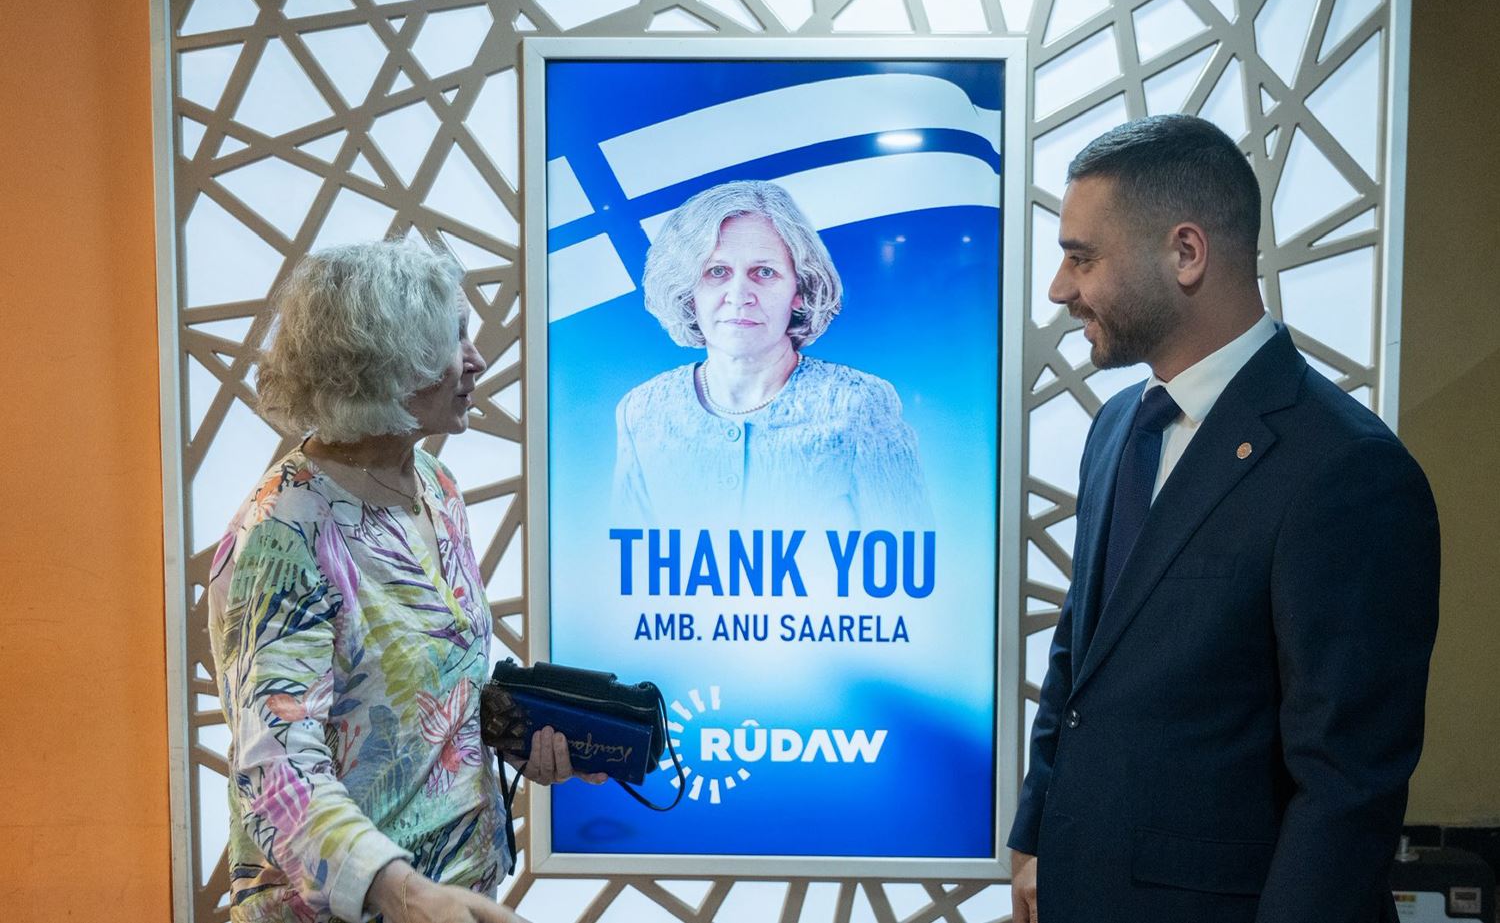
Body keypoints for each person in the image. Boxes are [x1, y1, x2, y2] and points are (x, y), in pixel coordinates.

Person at [1008, 115, 1439, 923]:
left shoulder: (1348, 469)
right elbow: (1082, 652)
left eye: (1081, 257)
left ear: (1186, 253)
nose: (1060, 289)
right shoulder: (1117, 427)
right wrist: (1036, 839)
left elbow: (1346, 789)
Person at [208, 240, 602, 923]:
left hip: (453, 899)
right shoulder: (283, 533)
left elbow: (424, 692)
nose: (476, 360)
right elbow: (276, 769)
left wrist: (520, 734)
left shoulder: (433, 484)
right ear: (383, 365)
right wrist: (407, 892)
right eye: (454, 339)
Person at [612, 179, 931, 529]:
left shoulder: (857, 405)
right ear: (688, 291)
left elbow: (910, 548)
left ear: (800, 289)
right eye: (717, 272)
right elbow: (630, 553)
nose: (739, 295)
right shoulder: (643, 411)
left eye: (764, 272)